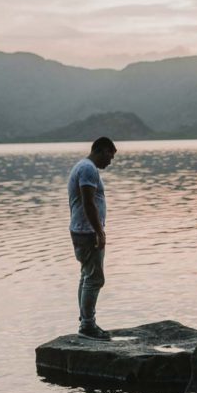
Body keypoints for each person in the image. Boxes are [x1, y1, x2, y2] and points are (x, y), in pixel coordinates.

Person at [67, 136, 117, 341]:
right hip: (87, 232)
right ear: (102, 150)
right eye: (110, 156)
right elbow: (88, 203)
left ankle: (85, 321)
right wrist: (99, 232)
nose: (110, 162)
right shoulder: (88, 169)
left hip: (81, 230)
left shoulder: (83, 166)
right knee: (95, 278)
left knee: (86, 275)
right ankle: (87, 326)